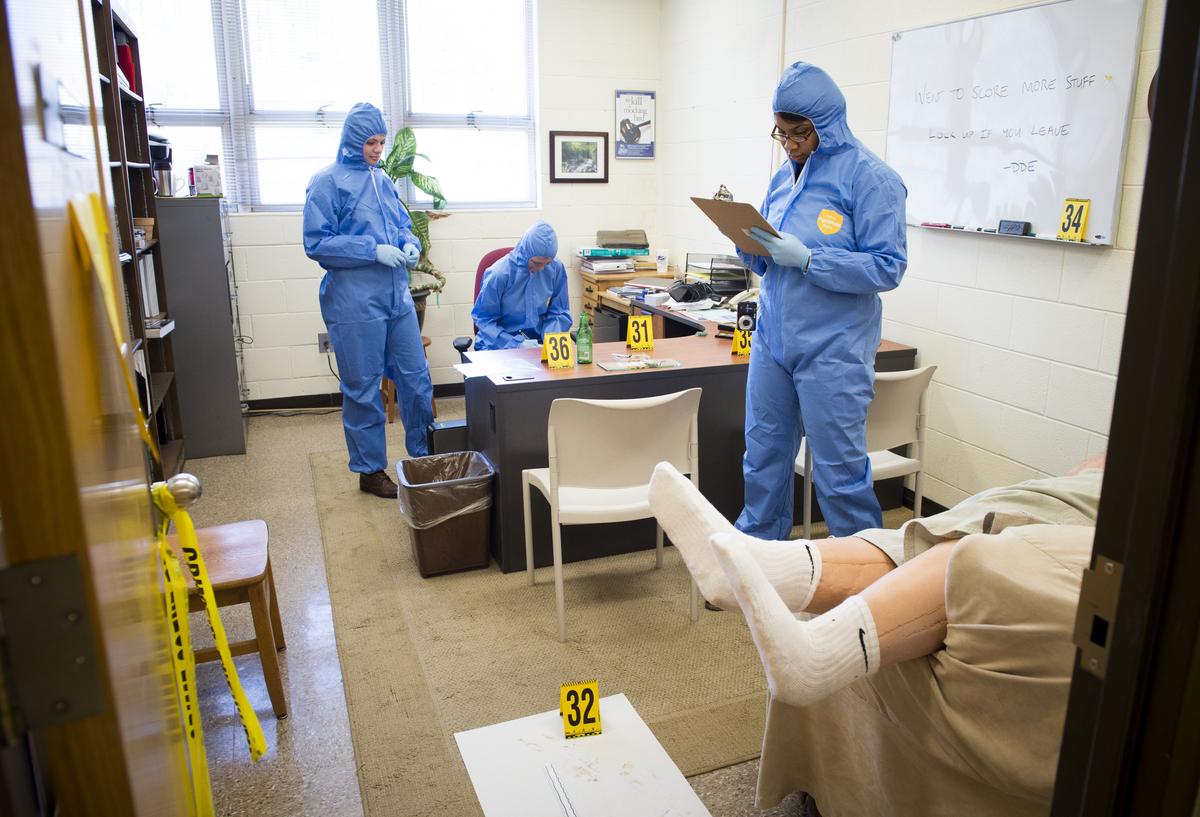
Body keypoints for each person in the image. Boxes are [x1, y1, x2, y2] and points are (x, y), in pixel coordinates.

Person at [648, 451, 1105, 708]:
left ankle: (817, 653)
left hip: (834, 338)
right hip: (780, 336)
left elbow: (887, 273)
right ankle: (769, 563)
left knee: (981, 537)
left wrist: (809, 270)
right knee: (974, 515)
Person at [736, 62, 908, 540]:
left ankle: (865, 573)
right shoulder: (781, 179)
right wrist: (753, 249)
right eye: (781, 133)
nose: (789, 144)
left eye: (798, 133)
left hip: (833, 348)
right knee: (764, 455)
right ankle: (757, 553)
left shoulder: (871, 179)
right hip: (773, 340)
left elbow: (887, 266)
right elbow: (771, 263)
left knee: (839, 470)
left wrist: (811, 259)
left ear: (826, 125)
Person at [303, 102, 434, 499]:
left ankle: (423, 456)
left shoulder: (382, 181)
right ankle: (370, 470)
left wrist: (409, 245)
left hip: (397, 298)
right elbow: (317, 243)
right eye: (370, 143)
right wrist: (370, 249)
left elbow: (400, 225)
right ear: (351, 141)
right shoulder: (328, 182)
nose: (377, 150)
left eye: (381, 142)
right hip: (355, 302)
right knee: (362, 387)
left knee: (416, 378)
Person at [471, 221, 572, 351]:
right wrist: (516, 345)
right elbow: (484, 320)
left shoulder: (555, 268)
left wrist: (551, 340)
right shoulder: (499, 274)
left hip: (539, 344)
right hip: (501, 345)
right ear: (526, 253)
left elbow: (560, 312)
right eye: (536, 263)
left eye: (546, 263)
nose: (541, 268)